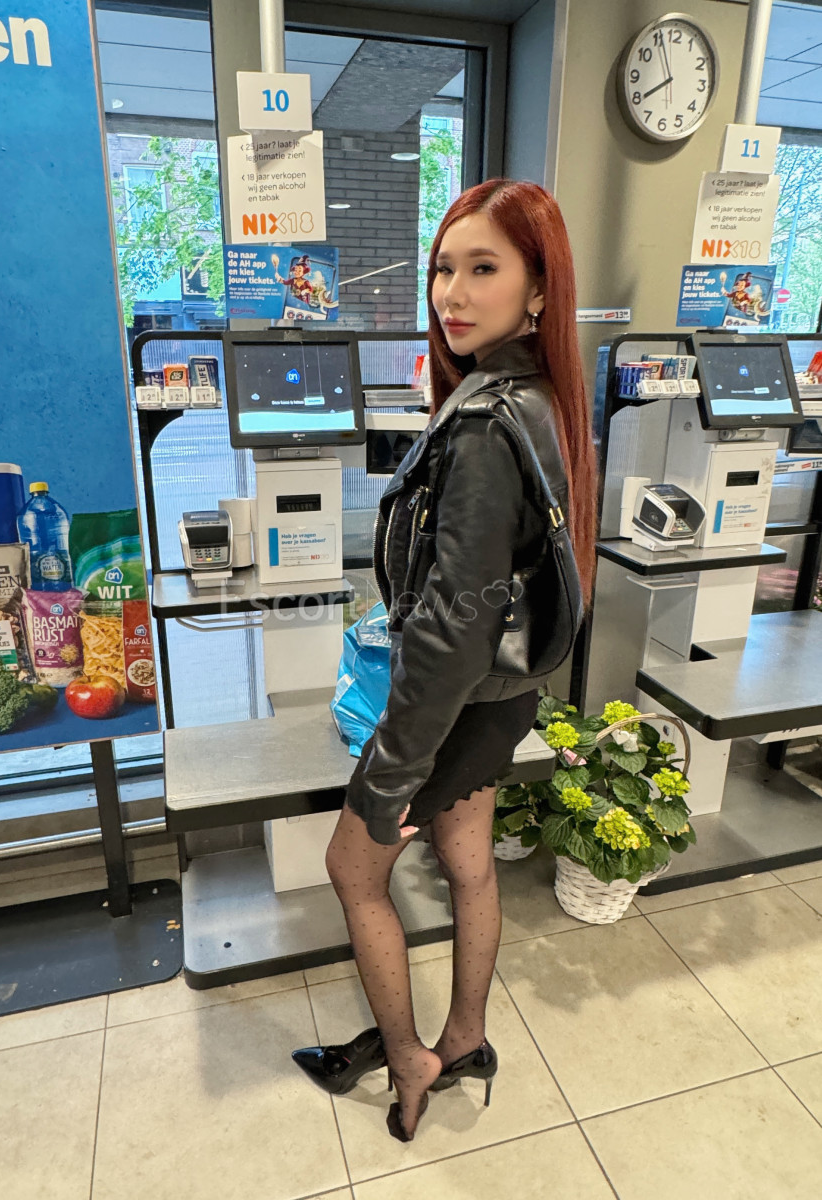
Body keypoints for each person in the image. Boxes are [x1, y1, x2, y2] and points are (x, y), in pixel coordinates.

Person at [291, 179, 596, 1141]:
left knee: (354, 870)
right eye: (442, 269)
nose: (452, 294)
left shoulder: (484, 426)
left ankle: (412, 1056)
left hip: (455, 703)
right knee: (469, 864)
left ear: (539, 289)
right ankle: (465, 1038)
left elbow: (451, 630)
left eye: (483, 268)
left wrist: (390, 773)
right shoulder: (539, 400)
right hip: (503, 699)